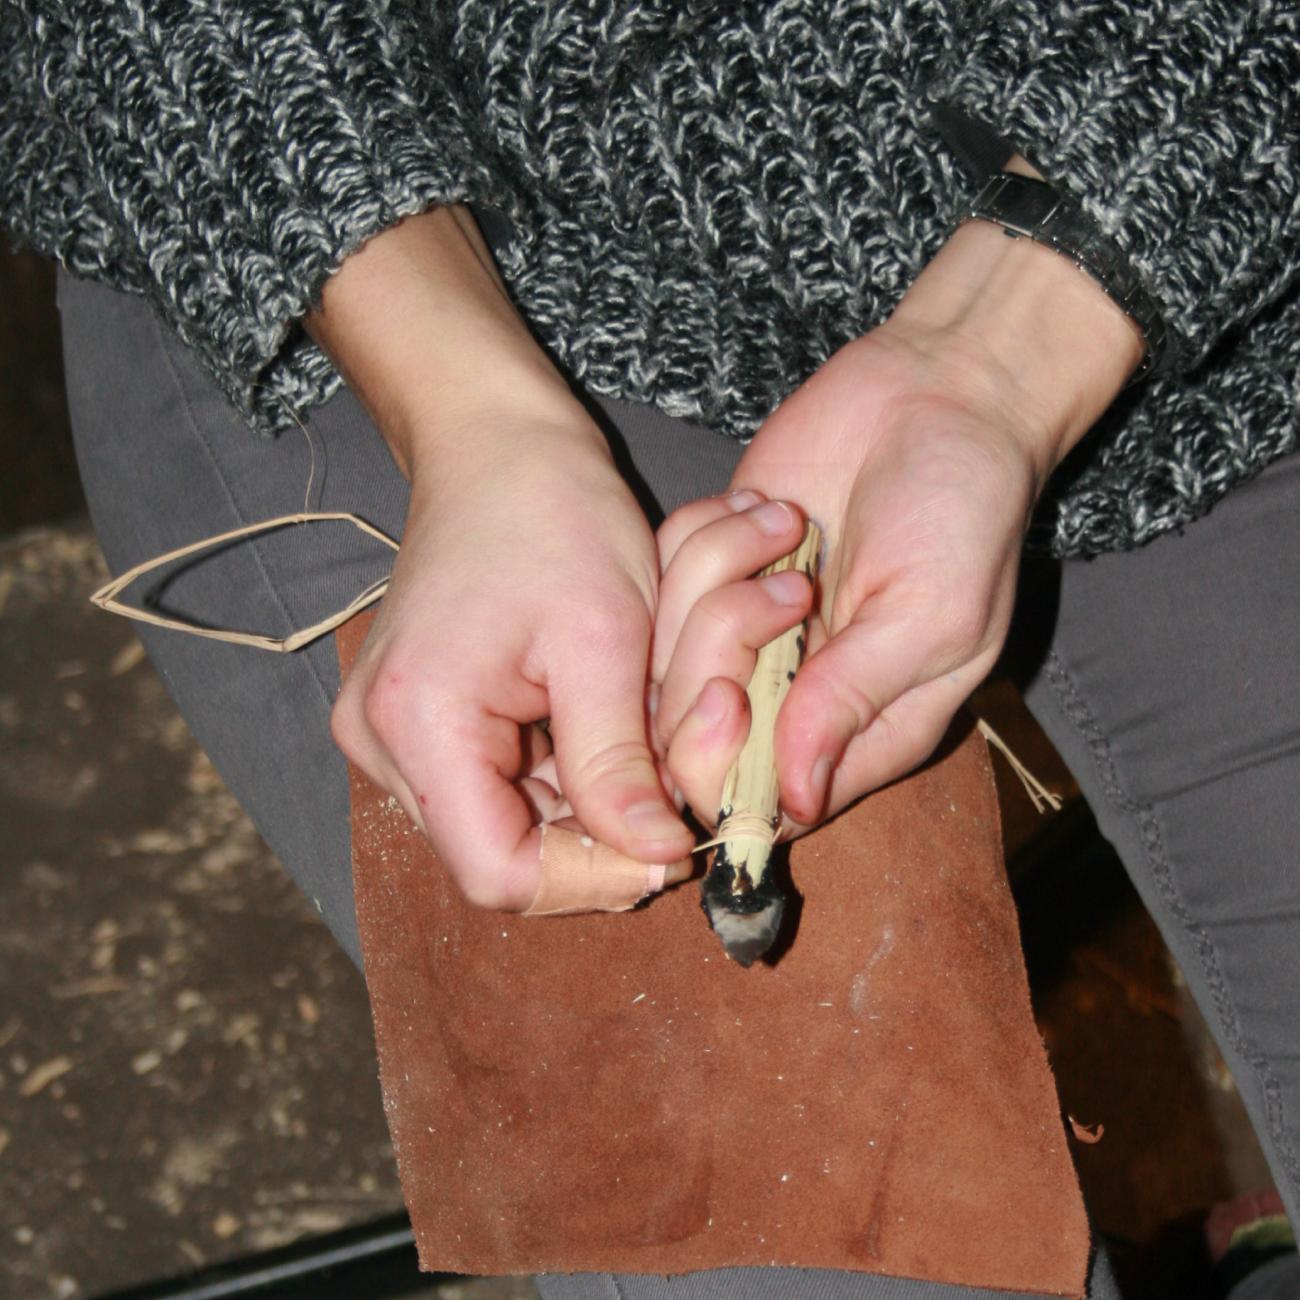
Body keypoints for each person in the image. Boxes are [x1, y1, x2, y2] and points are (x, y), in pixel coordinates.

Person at [3, 2, 1297, 1296]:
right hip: (366, 191)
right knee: (817, 1209)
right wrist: (472, 420)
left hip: (1178, 152)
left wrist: (1018, 331)